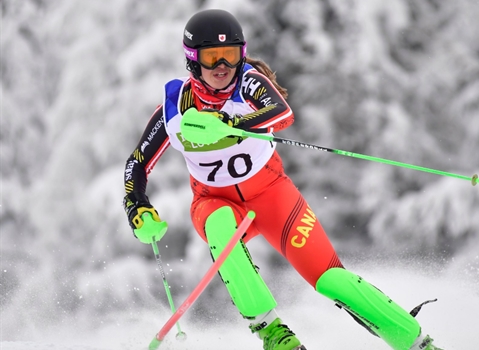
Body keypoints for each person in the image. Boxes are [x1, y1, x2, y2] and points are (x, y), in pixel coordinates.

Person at [122, 8, 443, 350]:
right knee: (220, 226)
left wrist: (230, 126)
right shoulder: (176, 107)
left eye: (230, 56)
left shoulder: (248, 83)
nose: (222, 67)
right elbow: (136, 163)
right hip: (214, 200)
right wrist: (137, 206)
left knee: (332, 279)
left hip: (272, 195)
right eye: (211, 57)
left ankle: (418, 342)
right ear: (192, 61)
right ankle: (273, 333)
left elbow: (282, 113)